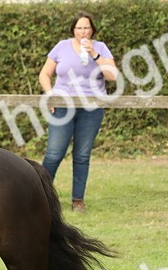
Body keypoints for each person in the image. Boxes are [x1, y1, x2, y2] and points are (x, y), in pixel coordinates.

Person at [38, 13, 118, 213]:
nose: (82, 31)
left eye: (86, 28)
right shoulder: (62, 47)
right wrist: (50, 95)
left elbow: (112, 76)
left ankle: (77, 200)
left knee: (82, 155)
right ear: (73, 30)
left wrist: (94, 55)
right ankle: (40, 196)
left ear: (92, 30)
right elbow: (45, 74)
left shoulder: (100, 48)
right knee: (54, 153)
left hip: (91, 108)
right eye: (79, 28)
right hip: (62, 106)